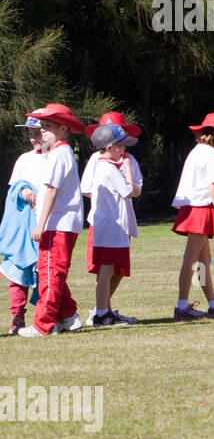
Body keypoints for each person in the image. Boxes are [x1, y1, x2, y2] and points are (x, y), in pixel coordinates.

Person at [18, 103, 86, 337]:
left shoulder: (59, 154)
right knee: (53, 271)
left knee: (50, 272)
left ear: (64, 129)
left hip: (57, 223)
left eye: (48, 126)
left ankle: (44, 324)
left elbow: (52, 191)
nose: (43, 131)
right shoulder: (58, 153)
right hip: (61, 222)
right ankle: (68, 316)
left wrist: (40, 224)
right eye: (42, 126)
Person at [171, 111, 214, 321]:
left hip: (193, 207)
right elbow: (213, 188)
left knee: (203, 261)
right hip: (200, 208)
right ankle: (182, 305)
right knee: (192, 260)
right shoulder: (210, 154)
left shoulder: (197, 151)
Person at [84, 122, 138, 326]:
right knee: (106, 271)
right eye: (121, 146)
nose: (124, 150)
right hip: (110, 227)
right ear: (109, 147)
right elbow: (128, 192)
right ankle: (100, 314)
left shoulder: (104, 166)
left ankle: (104, 311)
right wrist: (127, 169)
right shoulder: (108, 168)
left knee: (110, 270)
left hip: (111, 226)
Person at [3, 116, 44, 333]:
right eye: (30, 133)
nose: (33, 137)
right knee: (18, 272)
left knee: (43, 272)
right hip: (23, 227)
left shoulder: (55, 158)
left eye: (37, 132)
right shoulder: (24, 160)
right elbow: (13, 189)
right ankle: (17, 318)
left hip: (46, 223)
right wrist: (22, 191)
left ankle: (43, 316)